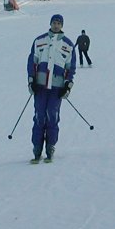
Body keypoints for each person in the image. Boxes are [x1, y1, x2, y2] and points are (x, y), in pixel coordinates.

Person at [27, 14, 76, 163]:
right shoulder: (39, 40)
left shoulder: (68, 45)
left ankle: (50, 147)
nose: (56, 25)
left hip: (56, 88)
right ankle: (37, 149)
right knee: (39, 115)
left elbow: (70, 67)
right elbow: (32, 61)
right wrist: (31, 80)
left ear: (62, 25)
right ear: (50, 23)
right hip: (40, 87)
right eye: (54, 22)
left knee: (52, 116)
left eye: (59, 23)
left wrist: (68, 85)